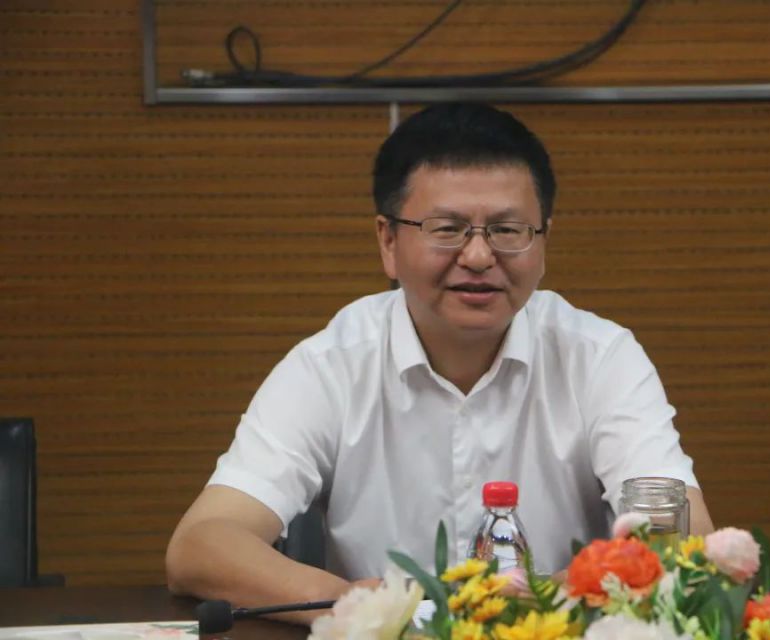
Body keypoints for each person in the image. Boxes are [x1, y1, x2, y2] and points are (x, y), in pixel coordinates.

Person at [165, 103, 713, 622]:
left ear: (543, 241)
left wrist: (560, 601)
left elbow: (681, 540)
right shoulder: (330, 366)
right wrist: (363, 608)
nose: (478, 256)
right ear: (388, 241)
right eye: (447, 229)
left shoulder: (600, 358)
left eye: (507, 230)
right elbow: (202, 545)